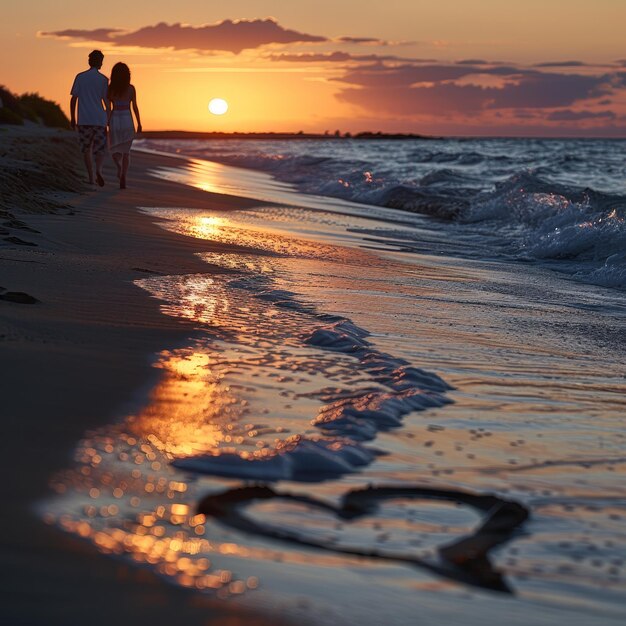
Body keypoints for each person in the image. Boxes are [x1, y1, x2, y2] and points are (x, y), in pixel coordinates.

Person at [70, 50, 109, 186]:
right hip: (100, 119)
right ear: (100, 62)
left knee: (86, 149)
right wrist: (109, 118)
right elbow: (106, 101)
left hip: (84, 119)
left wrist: (72, 118)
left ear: (89, 61)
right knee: (100, 149)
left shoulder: (80, 77)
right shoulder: (104, 79)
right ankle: (99, 169)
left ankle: (91, 178)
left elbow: (74, 99)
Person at [107, 62, 142, 189]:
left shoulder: (110, 89)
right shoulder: (131, 88)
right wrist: (139, 123)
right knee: (126, 152)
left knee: (114, 149)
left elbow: (108, 108)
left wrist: (107, 121)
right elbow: (135, 107)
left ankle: (119, 167)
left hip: (115, 119)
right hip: (127, 119)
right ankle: (124, 175)